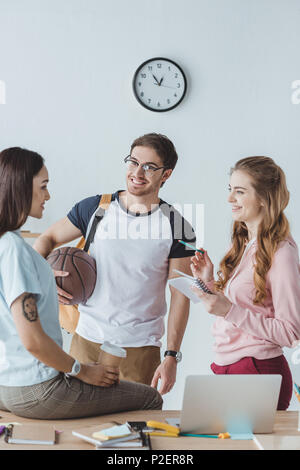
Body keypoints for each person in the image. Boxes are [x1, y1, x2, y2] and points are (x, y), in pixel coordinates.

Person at [0, 147, 163, 419]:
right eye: (43, 187)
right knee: (149, 398)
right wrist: (81, 370)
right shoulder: (16, 249)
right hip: (37, 387)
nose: (48, 195)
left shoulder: (6, 244)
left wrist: (42, 277)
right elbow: (32, 341)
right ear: (21, 189)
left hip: (8, 383)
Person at [34, 133, 196, 395]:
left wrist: (171, 356)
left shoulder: (177, 226)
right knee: (80, 429)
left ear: (166, 175)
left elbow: (180, 295)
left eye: (149, 167)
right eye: (133, 162)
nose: (137, 172)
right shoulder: (96, 209)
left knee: (134, 429)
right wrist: (44, 275)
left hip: (140, 349)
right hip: (86, 341)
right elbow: (47, 238)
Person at [190, 156, 300, 410]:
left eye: (239, 192)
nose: (230, 199)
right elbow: (244, 304)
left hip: (258, 370)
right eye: (230, 190)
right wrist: (208, 282)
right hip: (227, 366)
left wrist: (228, 310)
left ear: (264, 197)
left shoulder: (281, 253)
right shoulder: (242, 244)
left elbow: (291, 332)